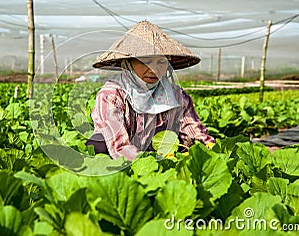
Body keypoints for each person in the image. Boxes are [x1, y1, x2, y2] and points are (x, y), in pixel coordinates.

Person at [86, 20, 214, 160]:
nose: (154, 69)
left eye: (161, 62)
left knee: (186, 144)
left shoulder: (177, 96)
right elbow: (119, 145)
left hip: (162, 155)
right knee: (99, 143)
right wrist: (147, 165)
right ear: (127, 63)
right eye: (145, 61)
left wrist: (211, 150)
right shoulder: (111, 95)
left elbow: (195, 131)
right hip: (121, 158)